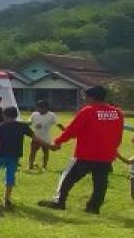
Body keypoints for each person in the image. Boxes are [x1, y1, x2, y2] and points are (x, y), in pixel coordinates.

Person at [38, 86, 125, 214]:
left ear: (91, 97)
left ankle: (59, 201)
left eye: (85, 96)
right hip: (106, 155)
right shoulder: (117, 113)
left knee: (67, 178)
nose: (84, 99)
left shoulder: (88, 111)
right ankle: (93, 208)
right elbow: (118, 135)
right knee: (100, 184)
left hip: (86, 154)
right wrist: (113, 148)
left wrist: (57, 142)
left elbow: (71, 130)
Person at [0, 106, 44, 210]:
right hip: (15, 156)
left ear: (4, 115)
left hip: (2, 155)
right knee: (10, 175)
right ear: (15, 115)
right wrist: (48, 145)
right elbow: (35, 138)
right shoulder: (23, 126)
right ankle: (7, 198)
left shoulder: (2, 126)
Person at [28, 100, 57, 171]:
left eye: (42, 108)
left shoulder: (52, 115)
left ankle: (44, 166)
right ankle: (30, 166)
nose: (40, 110)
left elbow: (58, 124)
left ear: (47, 108)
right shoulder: (34, 114)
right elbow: (29, 122)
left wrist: (65, 130)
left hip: (46, 138)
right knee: (32, 152)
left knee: (45, 152)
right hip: (35, 137)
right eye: (38, 108)